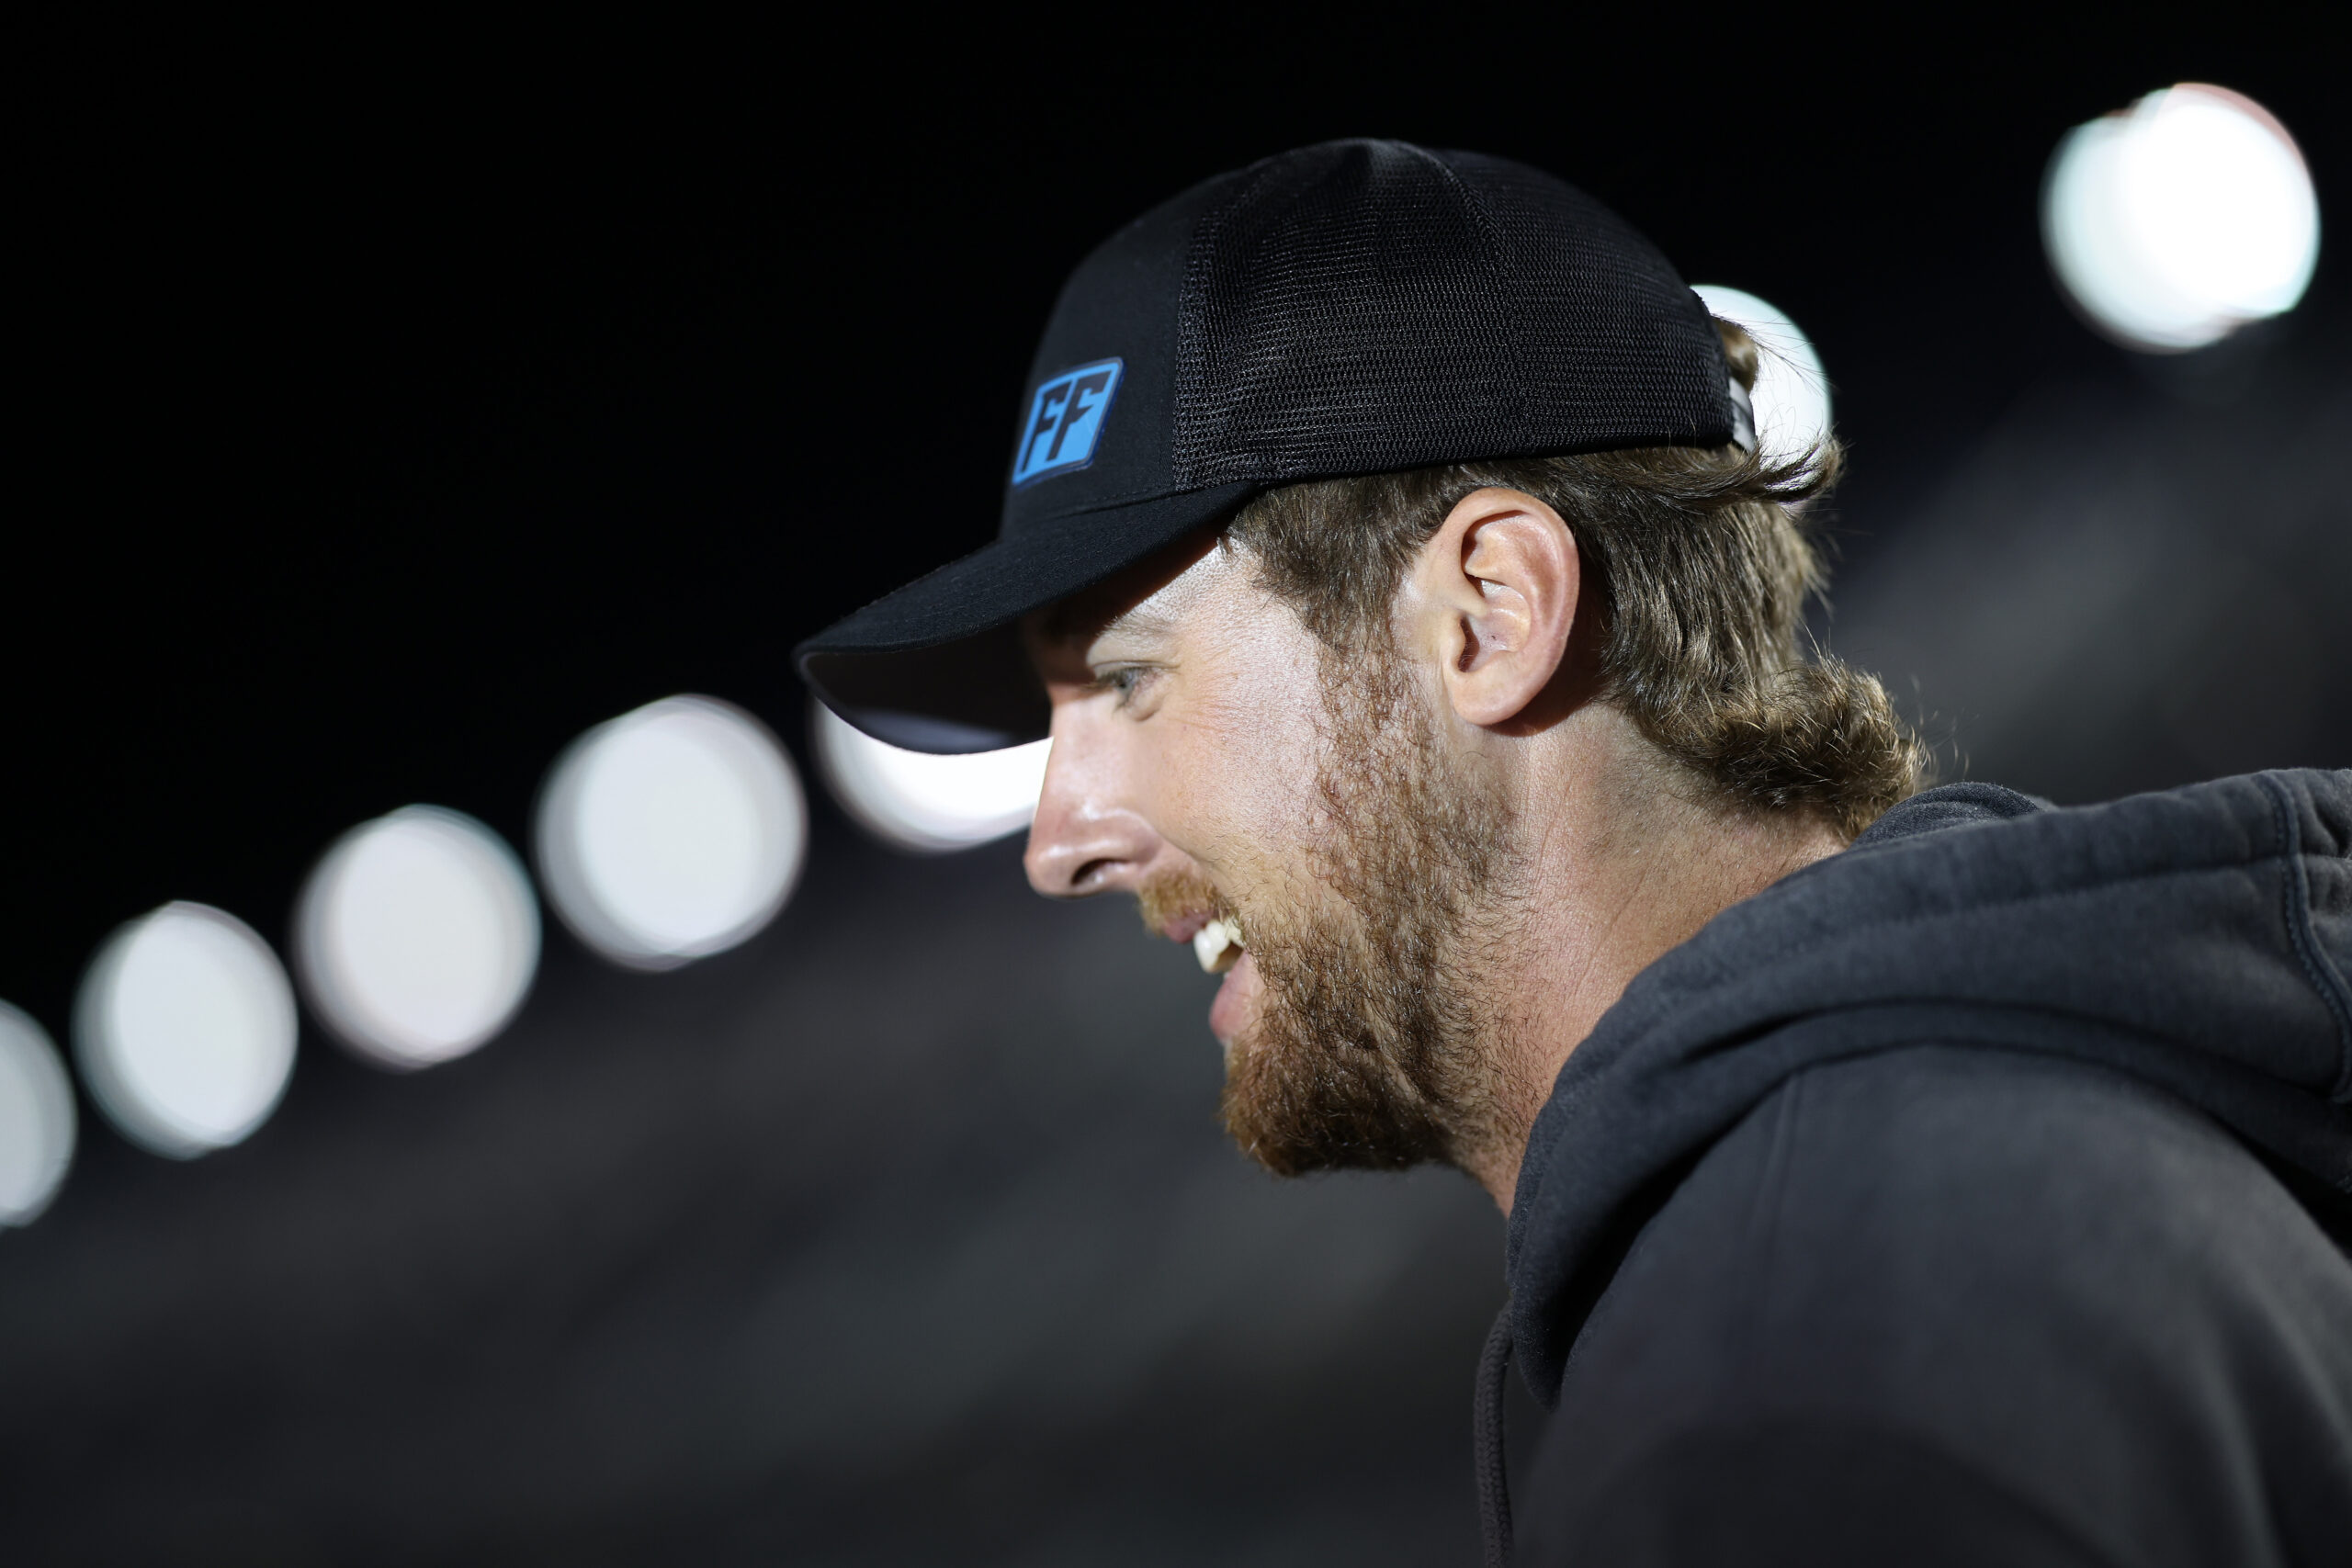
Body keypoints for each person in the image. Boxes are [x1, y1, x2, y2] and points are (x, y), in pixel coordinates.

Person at [797, 141, 2352, 1564]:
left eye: (1128, 679)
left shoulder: (1799, 1377)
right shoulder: (1979, 1166)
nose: (1059, 839)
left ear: (1491, 613)